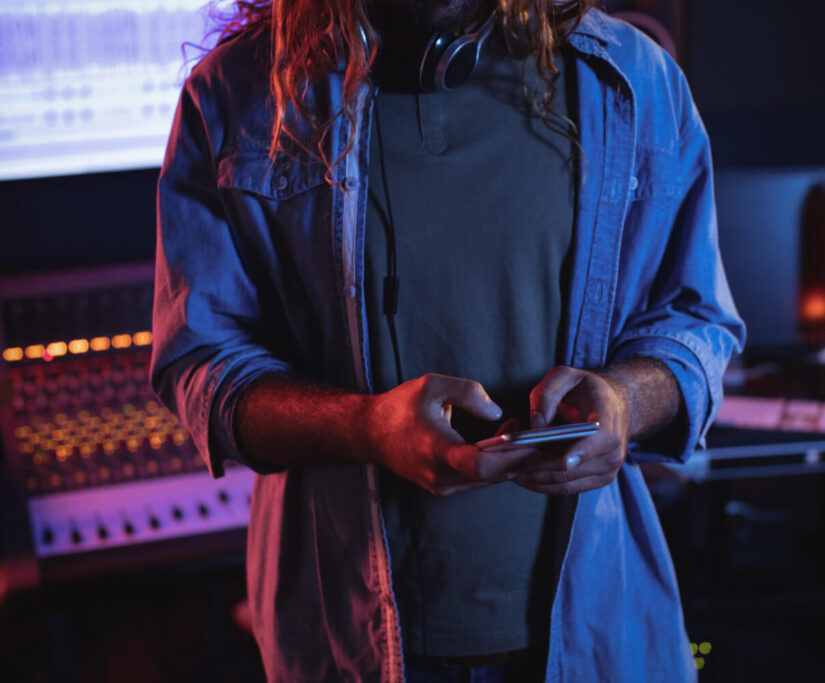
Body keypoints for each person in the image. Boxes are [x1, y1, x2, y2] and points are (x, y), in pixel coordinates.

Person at [151, 0, 745, 679]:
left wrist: (623, 401)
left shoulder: (636, 82)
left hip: (600, 637)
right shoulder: (232, 95)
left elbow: (697, 325)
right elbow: (201, 366)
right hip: (342, 643)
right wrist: (366, 428)